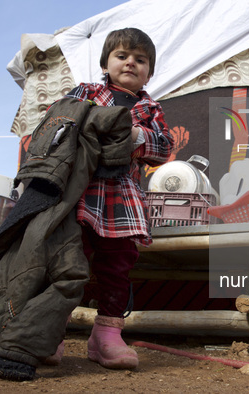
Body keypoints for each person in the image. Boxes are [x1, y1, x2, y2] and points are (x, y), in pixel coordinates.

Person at [60, 27, 174, 370]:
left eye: (140, 60)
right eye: (122, 56)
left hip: (121, 196)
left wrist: (138, 135)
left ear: (149, 72)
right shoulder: (87, 92)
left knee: (118, 264)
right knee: (67, 260)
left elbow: (164, 147)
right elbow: (59, 123)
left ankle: (106, 335)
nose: (130, 63)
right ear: (105, 63)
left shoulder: (151, 109)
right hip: (79, 191)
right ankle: (49, 330)